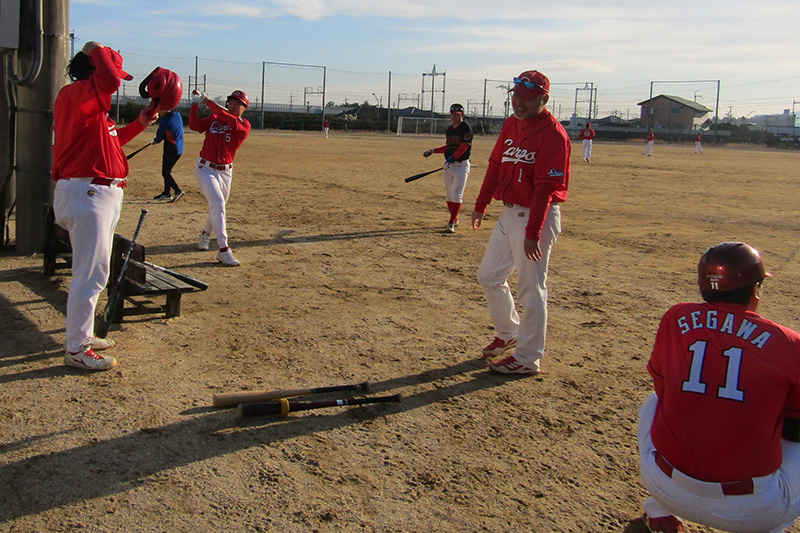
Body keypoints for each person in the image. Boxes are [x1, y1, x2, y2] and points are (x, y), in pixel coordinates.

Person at [637, 242, 800, 533]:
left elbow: (664, 391)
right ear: (755, 291)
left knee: (653, 403)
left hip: (665, 486)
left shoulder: (675, 318)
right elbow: (795, 429)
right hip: (751, 511)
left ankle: (660, 514)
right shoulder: (788, 342)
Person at [52, 41, 157, 371]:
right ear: (95, 70)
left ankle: (82, 335)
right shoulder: (76, 95)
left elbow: (114, 142)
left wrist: (140, 122)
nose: (118, 84)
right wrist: (95, 48)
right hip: (88, 193)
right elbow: (109, 80)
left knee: (95, 271)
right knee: (91, 273)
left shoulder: (90, 105)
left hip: (96, 194)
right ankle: (76, 348)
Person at [471, 70, 571, 375]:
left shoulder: (554, 135)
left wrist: (533, 233)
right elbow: (495, 164)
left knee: (531, 289)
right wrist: (481, 204)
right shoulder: (512, 124)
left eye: (527, 99)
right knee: (489, 276)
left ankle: (528, 357)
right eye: (515, 97)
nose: (519, 103)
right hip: (509, 213)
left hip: (535, 216)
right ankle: (509, 332)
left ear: (544, 99)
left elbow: (545, 188)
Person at [190, 89, 251, 267]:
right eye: (231, 101)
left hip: (225, 171)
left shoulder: (243, 125)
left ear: (244, 108)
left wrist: (206, 101)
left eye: (238, 103)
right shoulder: (214, 119)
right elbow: (195, 126)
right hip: (205, 168)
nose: (233, 105)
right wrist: (195, 103)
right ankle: (223, 249)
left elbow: (229, 119)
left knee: (218, 206)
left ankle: (205, 236)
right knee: (218, 203)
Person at [423, 103, 473, 233]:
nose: (454, 117)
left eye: (457, 114)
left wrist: (453, 158)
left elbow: (464, 147)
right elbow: (449, 147)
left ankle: (451, 222)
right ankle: (454, 218)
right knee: (449, 195)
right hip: (449, 166)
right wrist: (433, 151)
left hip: (461, 165)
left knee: (457, 194)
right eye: (452, 114)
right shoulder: (450, 130)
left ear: (462, 115)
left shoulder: (465, 128)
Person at [152, 108, 185, 202]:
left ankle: (177, 190)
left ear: (167, 110)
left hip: (172, 148)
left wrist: (154, 141)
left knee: (165, 173)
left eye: (159, 110)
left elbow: (159, 137)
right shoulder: (177, 114)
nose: (158, 112)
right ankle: (167, 193)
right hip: (178, 147)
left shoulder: (164, 122)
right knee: (167, 171)